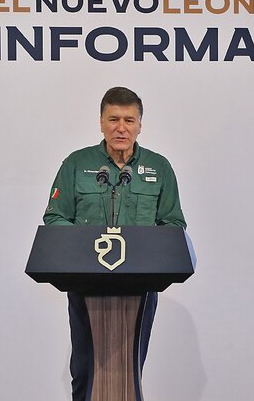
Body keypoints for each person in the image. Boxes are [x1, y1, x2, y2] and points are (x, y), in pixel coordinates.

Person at [43, 87, 186, 401]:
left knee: (129, 370)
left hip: (141, 286)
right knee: (84, 370)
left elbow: (173, 224)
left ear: (139, 125)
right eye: (114, 119)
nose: (121, 128)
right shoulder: (76, 165)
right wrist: (82, 249)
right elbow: (56, 218)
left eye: (129, 120)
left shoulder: (159, 168)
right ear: (101, 123)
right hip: (85, 284)